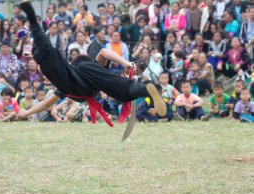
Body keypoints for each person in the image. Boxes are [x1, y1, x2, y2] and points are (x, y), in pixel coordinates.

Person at [17, 0, 166, 126]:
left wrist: (27, 112)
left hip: (70, 82)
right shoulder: (92, 69)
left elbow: (45, 104)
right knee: (126, 89)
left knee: (46, 52)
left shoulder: (69, 80)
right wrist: (125, 63)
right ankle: (147, 89)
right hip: (88, 82)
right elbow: (104, 53)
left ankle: (31, 20)